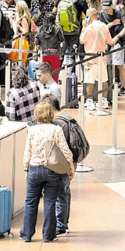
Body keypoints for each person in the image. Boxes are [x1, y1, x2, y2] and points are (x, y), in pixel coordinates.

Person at [19, 100, 74, 243]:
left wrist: (26, 168)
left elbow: (27, 152)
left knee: (30, 202)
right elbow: (65, 151)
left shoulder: (32, 130)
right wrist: (71, 167)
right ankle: (49, 236)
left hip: (34, 169)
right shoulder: (56, 129)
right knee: (50, 202)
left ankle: (26, 234)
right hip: (51, 169)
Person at [48, 95, 85, 236]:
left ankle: (61, 225)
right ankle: (64, 223)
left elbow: (60, 146)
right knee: (65, 193)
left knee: (60, 194)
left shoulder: (57, 123)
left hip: (61, 163)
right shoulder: (67, 117)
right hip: (69, 162)